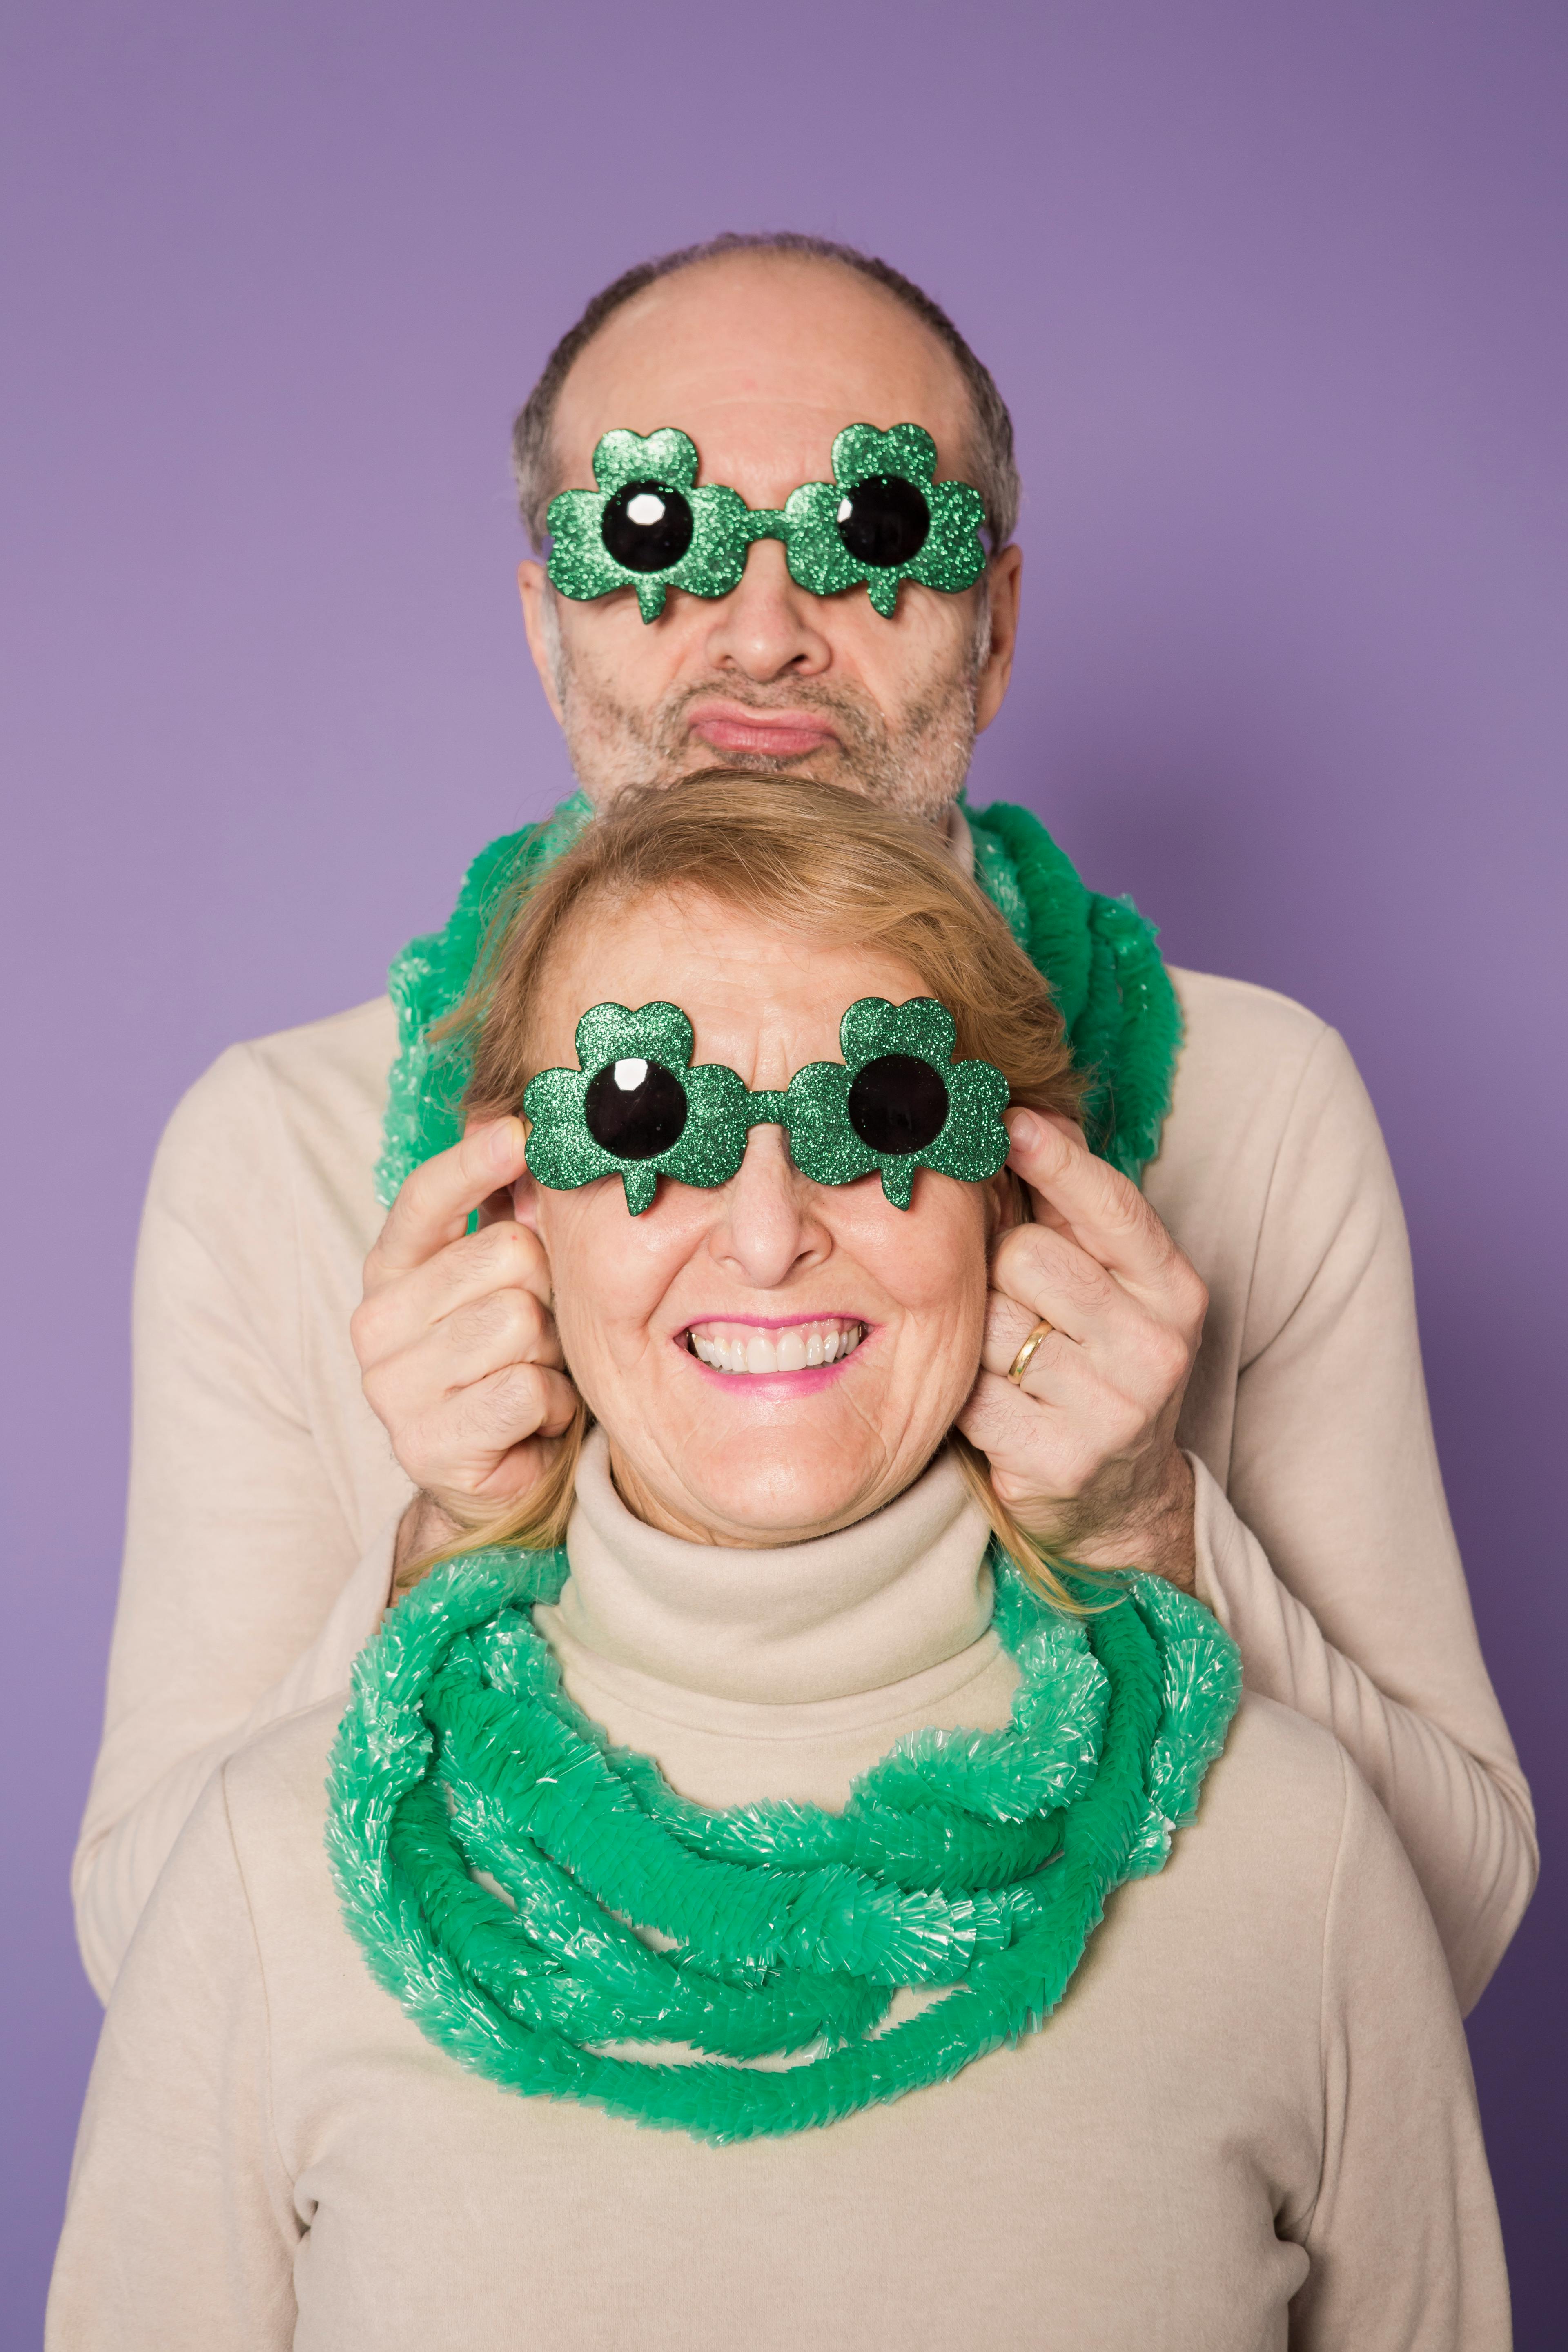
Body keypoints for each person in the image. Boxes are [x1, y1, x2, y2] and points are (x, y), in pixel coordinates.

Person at [71, 232, 1532, 2015]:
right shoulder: (274, 1151)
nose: (763, 632)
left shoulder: (1255, 1101)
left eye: (881, 529)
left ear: (993, 629)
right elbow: (162, 1976)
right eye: (647, 534)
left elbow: (1442, 1939)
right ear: (546, 626)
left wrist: (1155, 1531)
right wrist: (438, 1553)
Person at [49, 776, 1508, 2351]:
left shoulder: (1302, 1854)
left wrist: (1145, 1517)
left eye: (883, 1111)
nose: (762, 1234)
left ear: (1014, 1195)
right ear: (515, 1212)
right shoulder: (267, 1875)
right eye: (638, 1117)